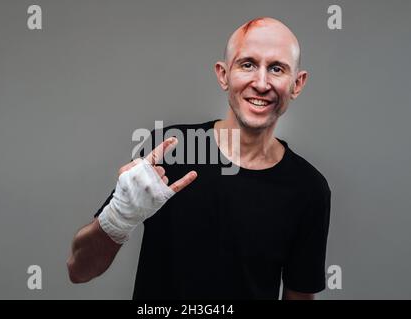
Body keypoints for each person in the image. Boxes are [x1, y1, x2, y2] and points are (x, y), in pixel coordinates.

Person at [67, 17, 331, 300]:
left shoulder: (308, 188)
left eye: (277, 68)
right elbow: (79, 271)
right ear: (223, 75)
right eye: (248, 64)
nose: (262, 83)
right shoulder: (171, 150)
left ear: (297, 83)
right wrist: (120, 216)